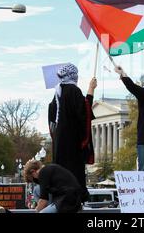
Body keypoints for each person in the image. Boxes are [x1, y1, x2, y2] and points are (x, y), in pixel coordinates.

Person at [48, 64, 96, 202]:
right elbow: (84, 111)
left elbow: (52, 118)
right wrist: (91, 89)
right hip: (72, 145)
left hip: (59, 145)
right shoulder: (73, 90)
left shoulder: (57, 93)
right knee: (73, 178)